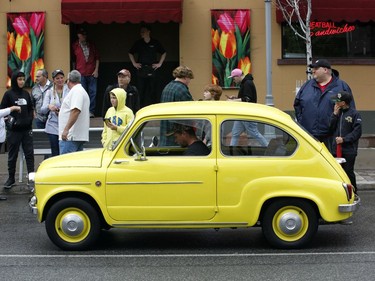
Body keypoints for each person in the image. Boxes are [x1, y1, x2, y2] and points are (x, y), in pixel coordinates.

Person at [294, 59, 355, 152]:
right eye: (313, 68)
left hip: (332, 139)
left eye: (316, 68)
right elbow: (297, 105)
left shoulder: (341, 87)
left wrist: (343, 134)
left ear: (325, 70)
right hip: (309, 136)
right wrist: (303, 122)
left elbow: (350, 111)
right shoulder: (307, 86)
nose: (313, 71)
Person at [1, 70, 34, 189]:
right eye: (19, 79)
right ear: (15, 80)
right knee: (12, 155)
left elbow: (31, 108)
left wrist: (30, 119)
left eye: (23, 79)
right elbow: (3, 111)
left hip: (26, 130)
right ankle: (11, 178)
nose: (22, 81)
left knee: (29, 155)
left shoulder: (26, 93)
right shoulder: (8, 94)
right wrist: (12, 122)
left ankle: (31, 180)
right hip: (14, 131)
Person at [329, 91, 362, 193]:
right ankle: (340, 193)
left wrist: (344, 139)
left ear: (343, 103)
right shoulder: (337, 113)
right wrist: (334, 114)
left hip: (349, 150)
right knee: (337, 172)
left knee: (348, 171)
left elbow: (357, 132)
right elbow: (330, 128)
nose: (335, 103)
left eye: (337, 101)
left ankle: (353, 192)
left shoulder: (354, 114)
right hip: (336, 149)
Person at [227, 69, 268, 147]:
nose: (233, 80)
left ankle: (268, 147)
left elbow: (247, 99)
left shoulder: (247, 83)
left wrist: (233, 101)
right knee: (235, 133)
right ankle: (231, 151)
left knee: (254, 133)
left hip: (247, 113)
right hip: (243, 112)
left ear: (238, 76)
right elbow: (246, 97)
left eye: (233, 78)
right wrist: (235, 98)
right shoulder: (245, 83)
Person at [129, 24, 166, 108]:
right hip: (141, 68)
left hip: (152, 68)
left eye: (143, 31)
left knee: (153, 90)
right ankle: (139, 108)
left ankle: (154, 108)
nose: (141, 33)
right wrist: (134, 63)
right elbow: (130, 52)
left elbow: (164, 52)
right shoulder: (138, 43)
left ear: (149, 32)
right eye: (141, 32)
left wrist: (160, 63)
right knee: (140, 90)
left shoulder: (155, 42)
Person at [160, 66, 194, 146]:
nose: (189, 82)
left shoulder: (167, 87)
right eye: (189, 79)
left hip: (165, 131)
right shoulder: (182, 89)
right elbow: (190, 110)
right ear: (186, 77)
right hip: (177, 135)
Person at [58, 70, 90, 154]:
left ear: (69, 80)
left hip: (71, 136)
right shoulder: (81, 91)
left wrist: (66, 129)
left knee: (65, 164)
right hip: (75, 136)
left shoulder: (76, 91)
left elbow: (76, 110)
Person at [40, 69, 70, 156]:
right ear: (53, 80)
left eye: (61, 78)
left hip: (66, 124)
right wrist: (49, 106)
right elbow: (42, 109)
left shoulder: (69, 90)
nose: (60, 80)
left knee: (65, 150)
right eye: (57, 78)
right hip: (53, 125)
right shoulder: (49, 92)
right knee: (55, 150)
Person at [72, 27, 100, 118]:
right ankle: (83, 111)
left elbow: (97, 58)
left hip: (92, 72)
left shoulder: (91, 45)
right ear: (78, 35)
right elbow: (73, 59)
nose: (84, 37)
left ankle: (91, 111)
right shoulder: (75, 45)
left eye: (85, 35)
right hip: (80, 73)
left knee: (93, 92)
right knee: (82, 93)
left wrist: (96, 70)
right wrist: (75, 72)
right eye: (82, 35)